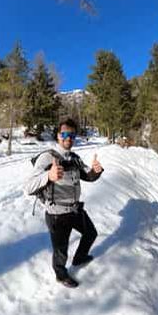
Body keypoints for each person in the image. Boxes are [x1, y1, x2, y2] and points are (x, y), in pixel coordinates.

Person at [24, 119, 104, 288]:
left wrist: (96, 172)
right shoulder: (47, 157)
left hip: (75, 210)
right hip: (57, 214)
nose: (68, 138)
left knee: (91, 233)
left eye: (72, 135)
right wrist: (48, 176)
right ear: (57, 136)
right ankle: (60, 275)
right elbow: (28, 187)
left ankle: (79, 257)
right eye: (65, 134)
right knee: (61, 251)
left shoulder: (74, 158)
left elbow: (87, 176)